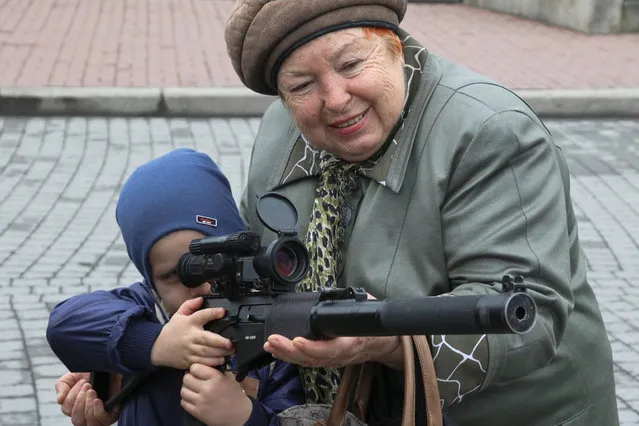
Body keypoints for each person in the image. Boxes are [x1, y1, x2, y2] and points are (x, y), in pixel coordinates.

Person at [222, 0, 619, 425]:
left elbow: (531, 316)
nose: (335, 100)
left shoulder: (489, 131)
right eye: (302, 86)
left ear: (397, 48)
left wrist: (385, 340)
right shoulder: (279, 131)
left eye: (352, 64)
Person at [47, 147, 304, 426]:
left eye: (216, 264)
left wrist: (245, 417)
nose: (202, 285)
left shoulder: (273, 335)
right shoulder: (146, 308)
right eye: (175, 275)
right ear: (152, 281)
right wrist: (156, 344)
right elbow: (64, 324)